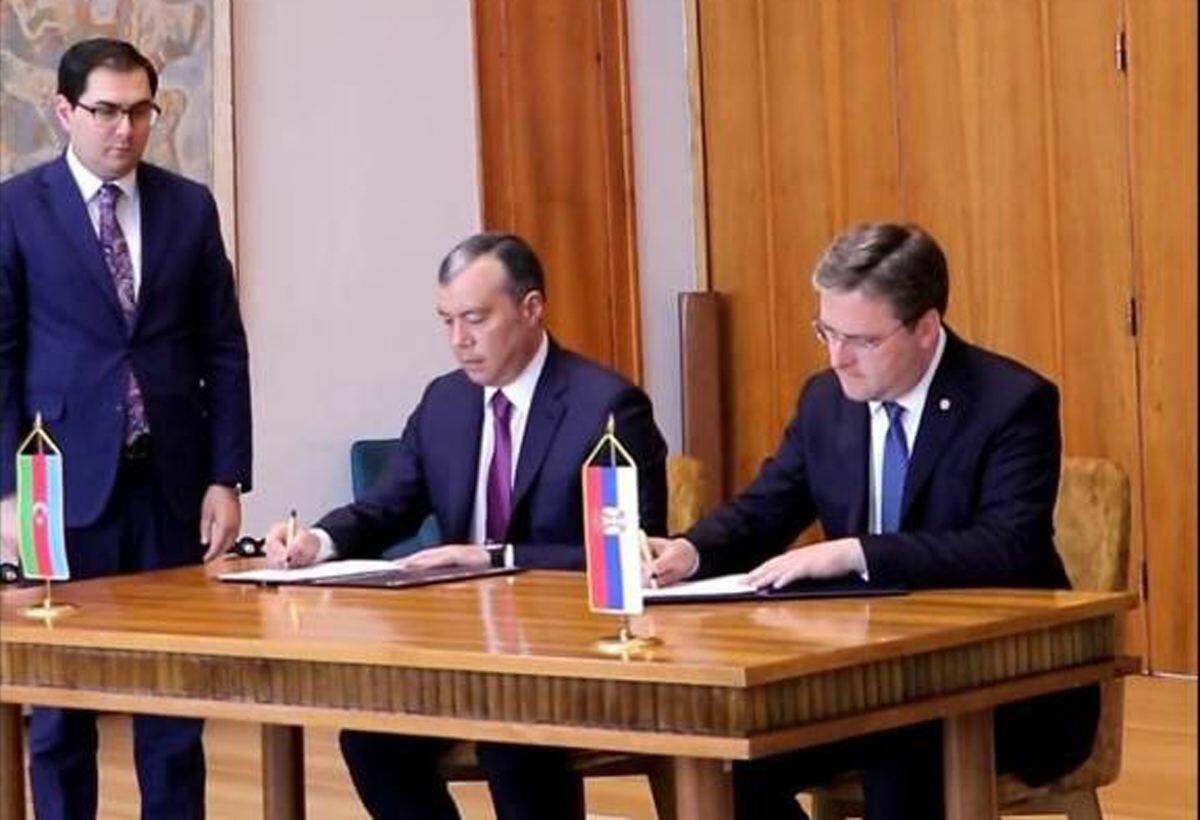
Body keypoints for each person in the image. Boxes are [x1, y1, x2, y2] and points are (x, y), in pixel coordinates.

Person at [646, 222, 1098, 819]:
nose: (837, 357)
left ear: (925, 328)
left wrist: (858, 552)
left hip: (1002, 682)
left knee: (901, 750)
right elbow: (766, 508)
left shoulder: (1011, 401)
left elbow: (1008, 546)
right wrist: (692, 550)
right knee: (721, 759)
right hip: (857, 679)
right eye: (827, 332)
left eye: (860, 340)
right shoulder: (825, 400)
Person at [266, 231, 668, 820]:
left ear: (531, 309)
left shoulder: (605, 406)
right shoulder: (445, 402)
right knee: (372, 740)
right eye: (447, 321)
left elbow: (635, 552)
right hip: (464, 656)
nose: (459, 340)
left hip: (570, 656)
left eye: (476, 319)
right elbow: (387, 506)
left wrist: (497, 557)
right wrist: (316, 542)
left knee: (514, 745)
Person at [0, 38, 251, 819]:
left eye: (141, 111)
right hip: (60, 486)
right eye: (107, 111)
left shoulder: (189, 206)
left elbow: (223, 346)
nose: (126, 129)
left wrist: (226, 476)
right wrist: (8, 493)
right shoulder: (16, 208)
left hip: (170, 483)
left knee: (174, 705)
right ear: (64, 111)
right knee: (62, 710)